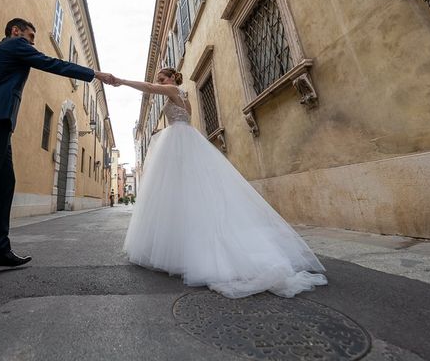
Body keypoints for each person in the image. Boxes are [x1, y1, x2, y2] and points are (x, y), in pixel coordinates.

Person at [112, 67, 327, 298]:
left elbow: (149, 88)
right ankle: (186, 248)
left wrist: (121, 80)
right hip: (184, 141)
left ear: (173, 77)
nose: (159, 81)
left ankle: (195, 253)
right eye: (159, 79)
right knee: (188, 195)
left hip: (179, 141)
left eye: (162, 77)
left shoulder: (173, 90)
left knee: (181, 193)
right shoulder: (182, 95)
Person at [0, 18, 115, 287]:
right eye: (30, 36)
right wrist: (94, 75)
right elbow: (53, 63)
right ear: (15, 31)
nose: (31, 42)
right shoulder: (16, 45)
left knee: (5, 186)